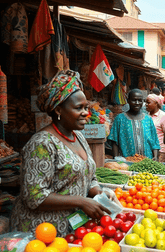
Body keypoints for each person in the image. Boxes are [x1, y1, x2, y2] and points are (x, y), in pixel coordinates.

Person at [11, 70, 110, 235]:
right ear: (58, 110)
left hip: (74, 229)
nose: (86, 113)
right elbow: (34, 196)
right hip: (43, 232)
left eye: (86, 107)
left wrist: (98, 192)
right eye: (79, 108)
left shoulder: (78, 137)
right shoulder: (42, 143)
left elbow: (89, 177)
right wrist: (81, 202)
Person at [108, 89, 160, 159]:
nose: (137, 103)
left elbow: (154, 140)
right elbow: (114, 140)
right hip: (127, 161)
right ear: (128, 100)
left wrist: (155, 156)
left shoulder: (148, 119)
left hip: (147, 160)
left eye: (140, 100)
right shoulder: (120, 119)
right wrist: (116, 158)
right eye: (134, 100)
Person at [145, 94, 165, 162]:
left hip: (161, 150)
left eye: (148, 102)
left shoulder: (163, 116)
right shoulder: (147, 116)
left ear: (156, 103)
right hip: (150, 149)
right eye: (145, 102)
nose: (146, 104)